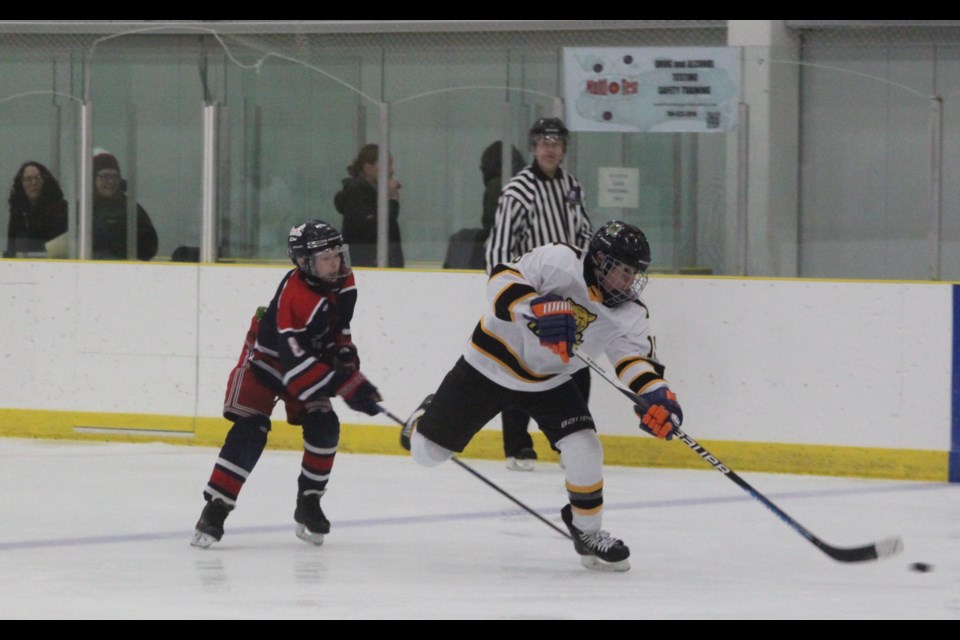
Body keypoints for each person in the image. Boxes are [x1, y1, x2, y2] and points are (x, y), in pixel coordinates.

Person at [400, 220, 683, 572]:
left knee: (585, 448)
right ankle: (422, 420)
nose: (628, 281)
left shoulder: (630, 313)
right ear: (598, 259)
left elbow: (635, 361)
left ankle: (588, 532)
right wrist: (537, 306)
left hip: (550, 381)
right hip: (489, 366)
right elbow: (500, 279)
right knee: (427, 454)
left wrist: (658, 396)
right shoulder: (559, 261)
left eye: (633, 273)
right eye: (621, 270)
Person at [191, 219, 384, 548]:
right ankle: (217, 507)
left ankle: (308, 502)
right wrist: (349, 386)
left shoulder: (345, 281)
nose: (335, 262)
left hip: (308, 357)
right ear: (303, 262)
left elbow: (341, 328)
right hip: (268, 360)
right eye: (326, 257)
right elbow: (296, 368)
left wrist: (346, 358)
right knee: (251, 430)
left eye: (337, 254)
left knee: (325, 425)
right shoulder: (296, 297)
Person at [484, 117, 594, 471]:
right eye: (544, 141)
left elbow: (585, 235)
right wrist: (513, 296)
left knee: (577, 366)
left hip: (568, 294)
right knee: (521, 365)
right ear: (533, 146)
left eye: (556, 141)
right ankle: (517, 445)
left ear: (563, 148)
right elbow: (499, 249)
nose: (550, 147)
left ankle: (570, 441)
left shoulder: (572, 187)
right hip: (529, 294)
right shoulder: (517, 191)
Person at [333, 144, 404, 268]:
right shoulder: (357, 194)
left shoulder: (371, 195)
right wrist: (392, 200)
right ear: (368, 168)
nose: (391, 170)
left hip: (377, 269)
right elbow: (376, 229)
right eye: (387, 165)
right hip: (367, 268)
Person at [92, 152, 158, 261]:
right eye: (105, 176)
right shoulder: (83, 210)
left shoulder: (130, 209)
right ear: (92, 178)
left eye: (115, 176)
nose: (111, 181)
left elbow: (149, 248)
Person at [4, 161, 68, 258]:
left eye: (37, 178)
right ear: (21, 183)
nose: (33, 183)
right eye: (28, 179)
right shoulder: (18, 210)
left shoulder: (60, 208)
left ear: (45, 181)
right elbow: (12, 245)